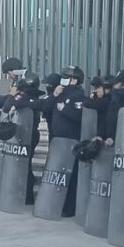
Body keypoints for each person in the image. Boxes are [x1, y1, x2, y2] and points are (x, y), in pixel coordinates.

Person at [48, 65, 86, 217]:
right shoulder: (60, 93)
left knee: (71, 176)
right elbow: (46, 106)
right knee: (57, 174)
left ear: (74, 80)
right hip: (58, 141)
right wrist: (54, 95)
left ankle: (69, 207)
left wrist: (65, 109)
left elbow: (79, 116)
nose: (62, 79)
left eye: (66, 77)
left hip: (71, 140)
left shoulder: (79, 96)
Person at [3, 71, 44, 204]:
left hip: (26, 134)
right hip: (30, 134)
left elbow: (6, 107)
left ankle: (26, 195)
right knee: (24, 165)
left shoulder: (25, 98)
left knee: (22, 165)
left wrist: (12, 94)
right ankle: (25, 195)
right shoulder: (36, 99)